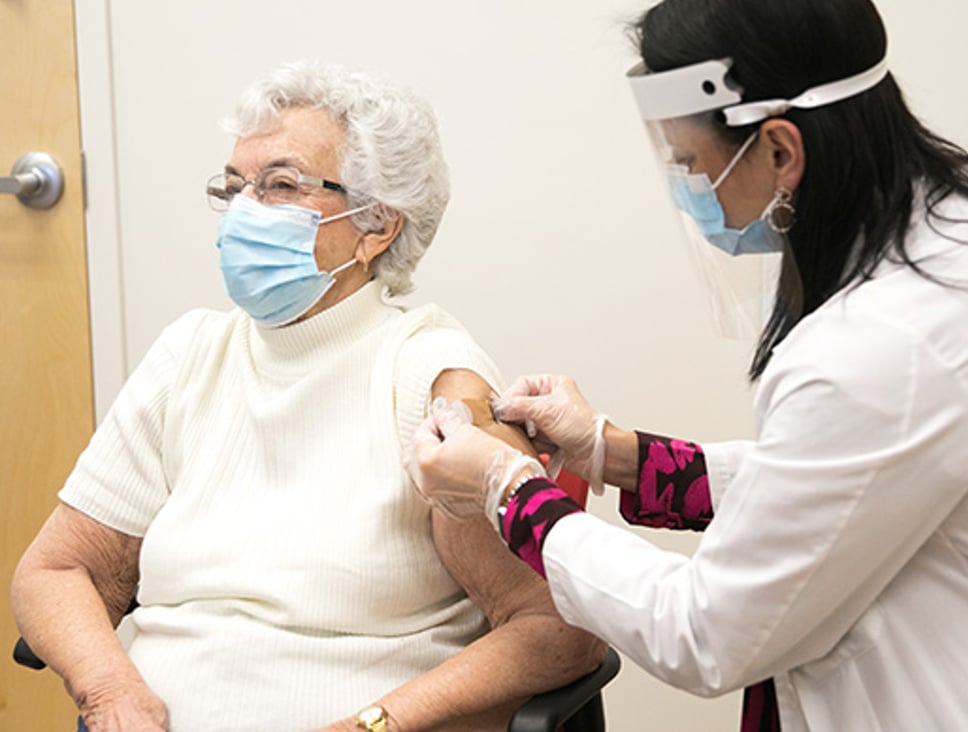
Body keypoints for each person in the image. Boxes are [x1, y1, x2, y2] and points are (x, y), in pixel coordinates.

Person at [404, 1, 968, 731]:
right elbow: (860, 478)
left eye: (690, 162)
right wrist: (615, 452)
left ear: (782, 149)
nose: (686, 187)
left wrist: (511, 492)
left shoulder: (887, 343)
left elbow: (709, 633)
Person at [11, 61, 603, 732]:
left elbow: (555, 628)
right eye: (233, 187)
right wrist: (111, 691)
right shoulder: (190, 355)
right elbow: (56, 570)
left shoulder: (428, 372)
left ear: (377, 224)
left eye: (279, 186)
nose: (242, 211)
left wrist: (373, 724)